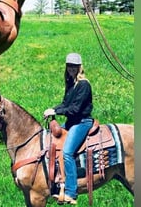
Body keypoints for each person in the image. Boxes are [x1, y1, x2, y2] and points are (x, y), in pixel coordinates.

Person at [44, 53, 93, 205]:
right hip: (72, 122)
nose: (71, 68)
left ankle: (71, 192)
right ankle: (56, 182)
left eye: (74, 66)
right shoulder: (71, 83)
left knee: (67, 152)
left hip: (82, 122)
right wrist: (53, 108)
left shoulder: (84, 85)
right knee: (49, 139)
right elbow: (65, 104)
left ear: (80, 67)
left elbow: (75, 109)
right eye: (69, 65)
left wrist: (56, 112)